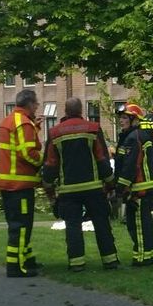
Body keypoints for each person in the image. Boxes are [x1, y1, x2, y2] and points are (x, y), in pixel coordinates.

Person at [41, 97, 120, 272]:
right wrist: (110, 183)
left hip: (68, 190)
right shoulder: (93, 129)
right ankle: (110, 261)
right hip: (93, 188)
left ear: (65, 111)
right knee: (102, 224)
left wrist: (48, 186)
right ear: (81, 111)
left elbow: (50, 163)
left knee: (73, 226)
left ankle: (77, 263)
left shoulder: (55, 133)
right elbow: (102, 158)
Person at [0, 90, 43, 277]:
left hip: (8, 184)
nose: (37, 107)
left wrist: (35, 129)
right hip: (20, 185)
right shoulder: (23, 123)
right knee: (22, 226)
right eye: (36, 104)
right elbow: (27, 153)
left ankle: (27, 258)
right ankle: (17, 266)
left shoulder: (8, 121)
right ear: (30, 104)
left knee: (16, 224)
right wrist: (44, 161)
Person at [114, 104, 153, 266]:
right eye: (121, 118)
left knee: (138, 224)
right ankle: (150, 253)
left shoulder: (134, 138)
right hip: (144, 186)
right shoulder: (134, 136)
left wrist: (120, 187)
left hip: (140, 188)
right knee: (145, 222)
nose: (121, 121)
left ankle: (142, 256)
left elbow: (131, 165)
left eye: (125, 118)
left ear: (134, 120)